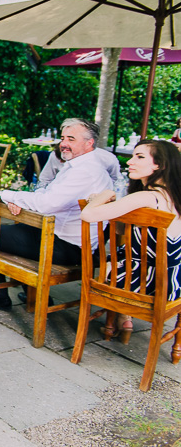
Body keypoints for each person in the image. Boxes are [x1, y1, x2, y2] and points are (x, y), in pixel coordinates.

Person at [0, 118, 113, 309]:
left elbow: (47, 204)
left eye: (71, 139)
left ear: (89, 143)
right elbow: (47, 194)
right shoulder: (78, 165)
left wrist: (5, 194)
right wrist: (18, 199)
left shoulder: (85, 171)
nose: (64, 144)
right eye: (63, 138)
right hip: (64, 239)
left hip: (70, 247)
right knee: (19, 230)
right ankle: (34, 295)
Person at [81, 139, 181, 340]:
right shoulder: (173, 196)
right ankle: (123, 320)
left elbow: (87, 215)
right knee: (122, 256)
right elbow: (121, 229)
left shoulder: (147, 197)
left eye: (140, 157)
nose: (130, 162)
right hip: (174, 282)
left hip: (146, 282)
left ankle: (122, 317)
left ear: (160, 165)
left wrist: (104, 195)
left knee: (110, 263)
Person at [39, 145, 122, 184]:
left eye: (67, 160)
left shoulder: (106, 158)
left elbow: (116, 180)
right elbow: (44, 179)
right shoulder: (55, 155)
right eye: (61, 159)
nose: (62, 163)